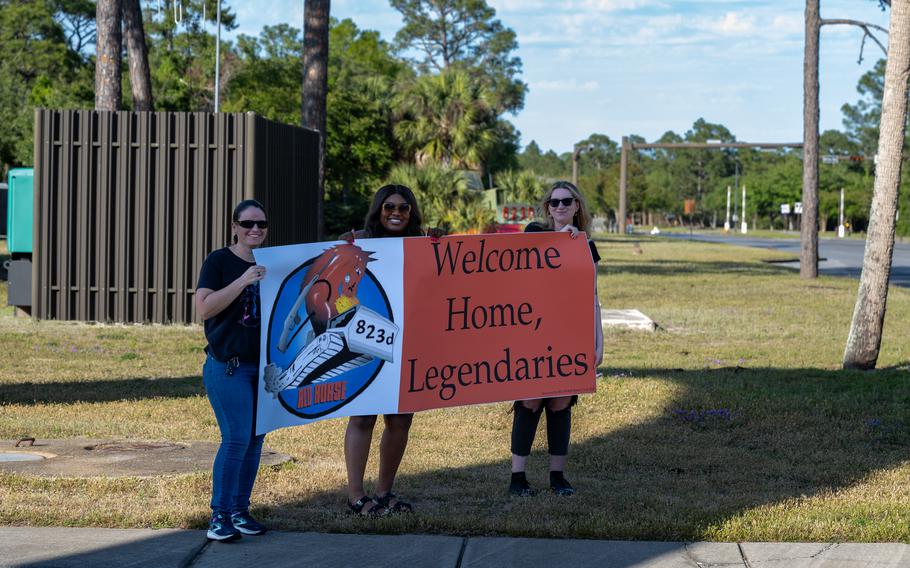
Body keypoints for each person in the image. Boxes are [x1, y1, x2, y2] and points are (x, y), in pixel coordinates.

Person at [508, 180, 604, 497]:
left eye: (567, 201)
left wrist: (597, 340)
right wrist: (562, 240)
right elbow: (527, 265)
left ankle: (557, 477)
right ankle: (518, 478)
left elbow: (592, 296)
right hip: (533, 330)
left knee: (562, 402)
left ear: (578, 206)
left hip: (570, 332)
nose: (560, 207)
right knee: (530, 400)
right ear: (547, 207)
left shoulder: (587, 247)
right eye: (554, 202)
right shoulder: (535, 232)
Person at [341, 184, 429, 516]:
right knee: (363, 416)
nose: (396, 212)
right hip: (368, 339)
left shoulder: (423, 245)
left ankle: (384, 492)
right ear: (379, 209)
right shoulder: (358, 243)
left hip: (409, 342)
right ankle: (355, 496)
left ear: (412, 212)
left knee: (400, 420)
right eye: (389, 206)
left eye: (403, 207)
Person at [195, 199, 270, 541]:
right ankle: (218, 516)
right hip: (228, 367)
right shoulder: (219, 261)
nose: (255, 229)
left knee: (255, 441)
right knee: (236, 438)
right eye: (247, 223)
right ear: (234, 226)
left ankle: (240, 511)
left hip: (262, 368)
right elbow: (205, 308)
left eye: (261, 224)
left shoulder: (274, 262)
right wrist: (242, 282)